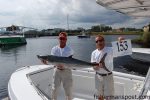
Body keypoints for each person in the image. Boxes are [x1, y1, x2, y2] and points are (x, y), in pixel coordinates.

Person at [42, 32, 74, 100]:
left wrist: (65, 66)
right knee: (54, 89)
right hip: (57, 71)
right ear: (58, 39)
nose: (61, 40)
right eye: (60, 38)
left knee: (68, 90)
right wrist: (46, 63)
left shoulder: (69, 49)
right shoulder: (54, 49)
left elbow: (70, 62)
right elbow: (52, 61)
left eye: (63, 38)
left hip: (67, 71)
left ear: (66, 39)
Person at [91, 35, 124, 100]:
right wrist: (96, 67)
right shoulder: (94, 53)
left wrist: (121, 41)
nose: (99, 42)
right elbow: (93, 66)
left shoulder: (110, 50)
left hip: (108, 76)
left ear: (104, 41)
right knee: (99, 95)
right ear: (95, 43)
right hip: (98, 77)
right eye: (97, 41)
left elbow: (121, 50)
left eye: (100, 40)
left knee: (109, 97)